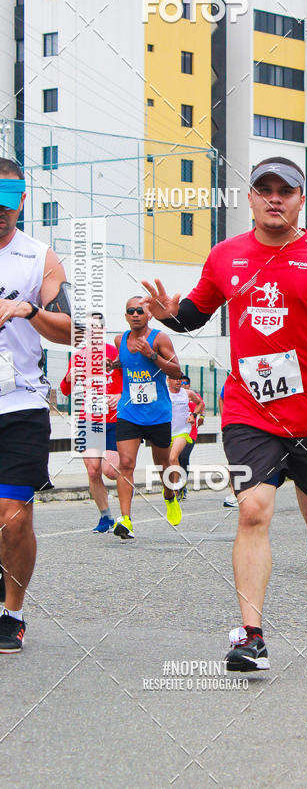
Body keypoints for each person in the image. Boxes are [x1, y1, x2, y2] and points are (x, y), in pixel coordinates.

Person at [141, 156, 307, 671]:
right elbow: (194, 314)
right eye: (264, 189)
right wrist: (169, 315)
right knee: (253, 510)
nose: (274, 197)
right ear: (250, 198)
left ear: (301, 200)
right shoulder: (225, 256)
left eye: (286, 190)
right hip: (249, 410)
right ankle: (249, 635)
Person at [0, 159, 71, 652]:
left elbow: (71, 328)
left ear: (22, 201)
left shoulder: (39, 258)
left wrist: (29, 309)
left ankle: (12, 611)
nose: (0, 213)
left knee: (13, 516)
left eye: (9, 203)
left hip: (20, 402)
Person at [111, 298, 184, 539]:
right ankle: (125, 520)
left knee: (163, 464)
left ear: (149, 314)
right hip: (129, 412)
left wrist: (152, 355)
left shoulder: (160, 339)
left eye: (139, 311)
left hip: (158, 413)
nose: (135, 315)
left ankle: (170, 496)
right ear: (125, 316)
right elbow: (127, 362)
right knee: (126, 463)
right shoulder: (120, 340)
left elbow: (177, 372)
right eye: (130, 311)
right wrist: (114, 364)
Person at [60, 314, 122, 531]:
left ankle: (126, 503)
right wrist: (69, 378)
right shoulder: (77, 356)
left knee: (110, 471)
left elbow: (131, 377)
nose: (92, 332)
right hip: (89, 420)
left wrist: (121, 396)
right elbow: (65, 389)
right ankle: (106, 516)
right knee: (93, 470)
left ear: (103, 330)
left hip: (114, 420)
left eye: (96, 328)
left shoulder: (114, 352)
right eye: (88, 328)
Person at [218, 384, 238, 508]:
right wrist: (224, 419)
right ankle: (235, 494)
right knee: (234, 461)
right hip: (233, 427)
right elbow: (221, 398)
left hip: (256, 427)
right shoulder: (232, 381)